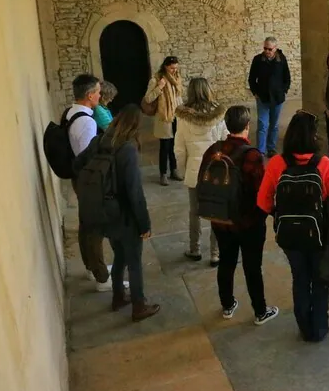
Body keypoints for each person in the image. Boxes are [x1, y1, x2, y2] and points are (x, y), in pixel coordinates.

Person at [257, 110, 329, 342]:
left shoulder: (277, 163)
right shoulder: (324, 163)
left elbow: (263, 201)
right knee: (319, 280)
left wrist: (280, 214)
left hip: (289, 236)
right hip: (318, 233)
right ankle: (319, 329)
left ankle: (304, 326)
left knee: (299, 278)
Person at [74, 104, 159, 322]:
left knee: (119, 254)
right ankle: (139, 305)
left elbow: (77, 164)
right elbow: (134, 191)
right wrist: (144, 224)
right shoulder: (127, 148)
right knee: (134, 261)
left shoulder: (100, 140)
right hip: (123, 214)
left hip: (102, 211)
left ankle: (118, 296)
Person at [200, 106, 279, 325]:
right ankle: (260, 311)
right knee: (252, 267)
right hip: (248, 222)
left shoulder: (213, 150)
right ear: (247, 126)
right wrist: (273, 213)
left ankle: (227, 305)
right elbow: (261, 191)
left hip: (221, 218)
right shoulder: (251, 155)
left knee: (226, 262)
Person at [67, 74, 113, 292]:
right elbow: (89, 159)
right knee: (95, 227)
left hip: (80, 178)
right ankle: (102, 277)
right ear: (88, 95)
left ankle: (91, 266)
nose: (100, 95)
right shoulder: (86, 122)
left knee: (86, 224)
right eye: (97, 91)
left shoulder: (71, 112)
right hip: (89, 181)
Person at [175, 78, 227, 266]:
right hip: (214, 170)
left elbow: (179, 148)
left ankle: (195, 249)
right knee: (216, 210)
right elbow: (225, 140)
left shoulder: (183, 116)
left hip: (194, 170)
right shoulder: (219, 113)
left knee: (195, 211)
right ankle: (215, 253)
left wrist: (182, 170)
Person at [248, 36, 291, 157]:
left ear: (275, 49)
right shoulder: (258, 60)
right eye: (265, 48)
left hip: (277, 98)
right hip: (263, 97)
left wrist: (284, 90)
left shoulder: (281, 59)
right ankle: (261, 151)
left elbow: (286, 77)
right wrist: (255, 92)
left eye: (269, 49)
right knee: (262, 124)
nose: (267, 51)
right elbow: (252, 78)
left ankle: (271, 148)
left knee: (274, 124)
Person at [144, 56, 184, 186]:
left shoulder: (177, 79)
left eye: (176, 68)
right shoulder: (156, 80)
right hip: (164, 118)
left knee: (175, 146)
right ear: (166, 66)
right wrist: (160, 87)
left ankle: (174, 170)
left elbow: (179, 97)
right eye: (172, 68)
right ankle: (163, 174)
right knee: (165, 147)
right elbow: (148, 99)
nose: (174, 70)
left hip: (176, 116)